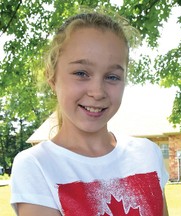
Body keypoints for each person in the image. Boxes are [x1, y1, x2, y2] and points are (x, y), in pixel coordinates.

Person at [10, 11, 169, 216]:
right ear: (52, 78)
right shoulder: (36, 165)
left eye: (112, 77)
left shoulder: (147, 153)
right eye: (81, 73)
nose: (97, 92)